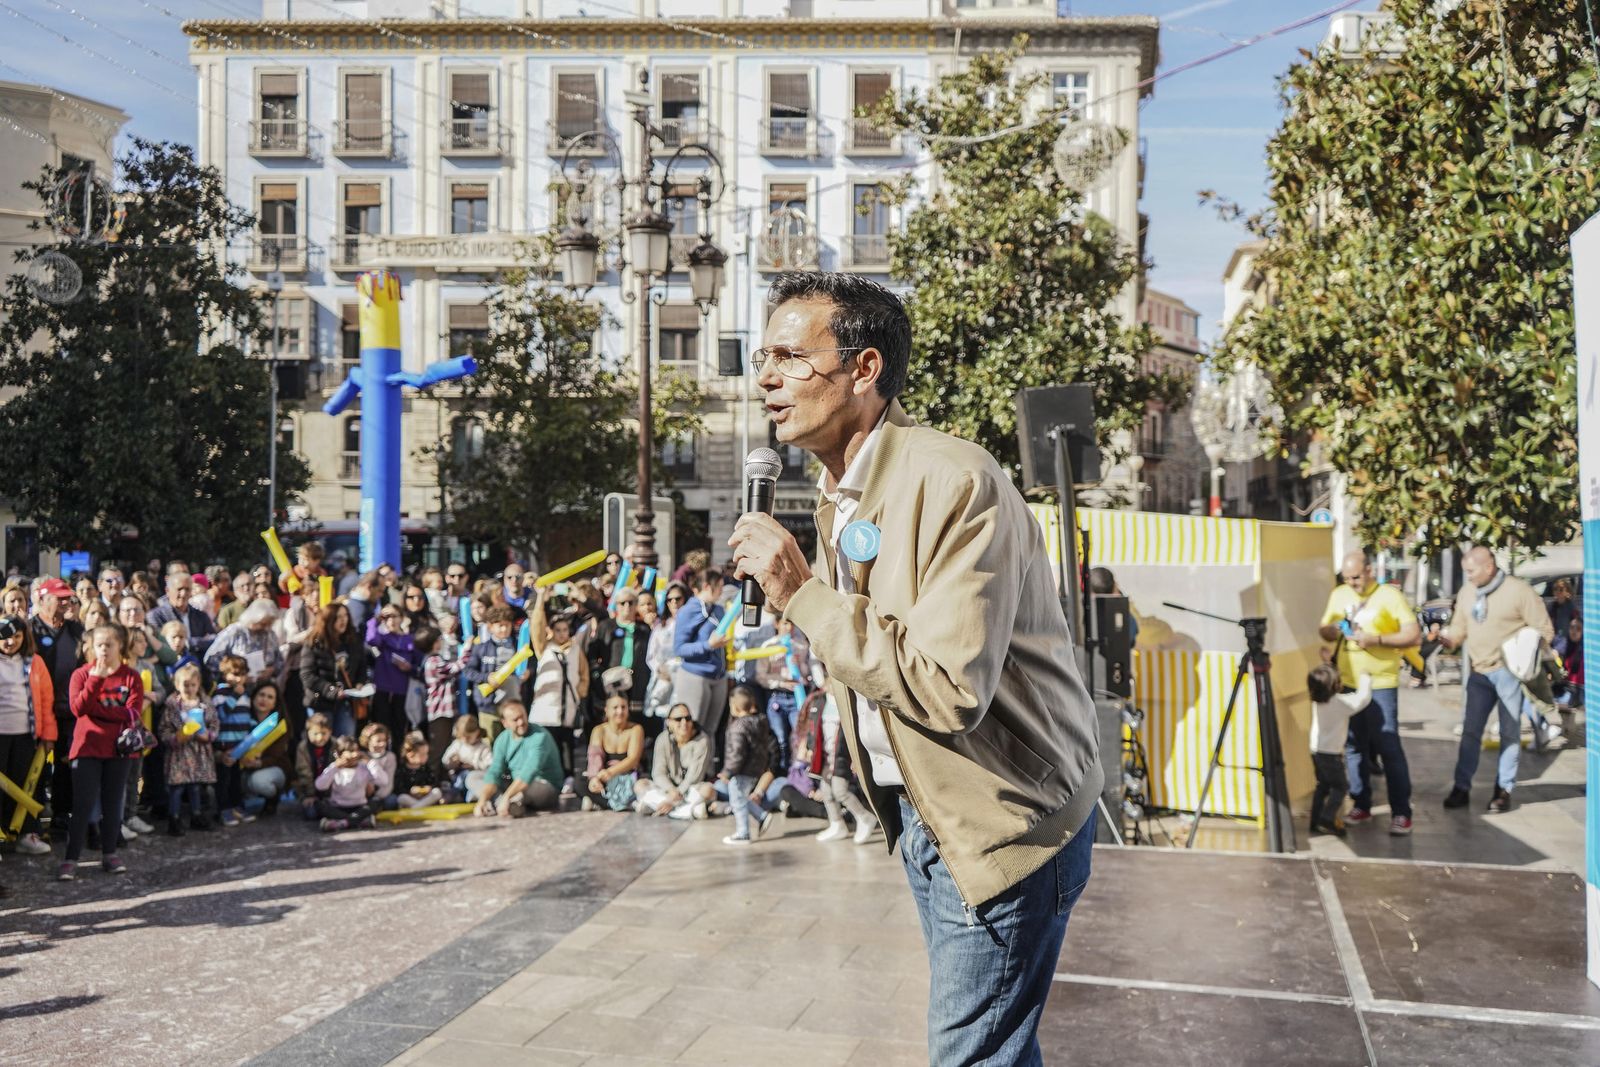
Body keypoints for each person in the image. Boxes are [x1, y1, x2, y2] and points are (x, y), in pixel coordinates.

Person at [728, 273, 1101, 1065]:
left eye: (791, 357)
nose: (767, 378)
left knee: (970, 1055)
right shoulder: (840, 494)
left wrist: (803, 594)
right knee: (997, 1049)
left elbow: (949, 687)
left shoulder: (955, 480)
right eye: (764, 357)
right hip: (927, 815)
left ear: (863, 369)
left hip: (1003, 821)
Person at [1436, 546, 1556, 813]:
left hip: (1508, 673)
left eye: (1471, 571)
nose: (1467, 576)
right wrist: (1448, 639)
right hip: (1478, 673)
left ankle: (1503, 789)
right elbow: (1459, 628)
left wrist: (1525, 653)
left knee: (1509, 732)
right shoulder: (1467, 592)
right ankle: (1461, 788)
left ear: (1488, 567)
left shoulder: (1519, 591)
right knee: (1470, 732)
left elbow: (1545, 629)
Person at [1316, 550, 1420, 835]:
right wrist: (1334, 630)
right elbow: (1324, 630)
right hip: (1347, 682)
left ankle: (1402, 812)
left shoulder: (1389, 596)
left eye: (1356, 577)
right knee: (1353, 746)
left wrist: (1376, 639)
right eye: (1347, 578)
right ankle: (1361, 803)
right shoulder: (1339, 595)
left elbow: (1413, 634)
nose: (1352, 583)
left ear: (1370, 571)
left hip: (1380, 683)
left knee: (1387, 745)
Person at [62, 624, 143, 879]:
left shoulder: (131, 677)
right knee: (82, 805)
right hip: (87, 748)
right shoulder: (82, 675)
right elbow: (78, 708)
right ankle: (71, 858)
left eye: (109, 644)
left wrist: (96, 711)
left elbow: (132, 713)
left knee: (113, 803)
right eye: (99, 645)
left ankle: (110, 854)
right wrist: (96, 680)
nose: (104, 650)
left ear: (120, 646)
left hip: (119, 750)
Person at [0, 614, 56, 857]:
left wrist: (48, 735)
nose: (10, 641)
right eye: (4, 636)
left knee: (26, 784)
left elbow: (46, 700)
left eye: (17, 636)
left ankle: (27, 833)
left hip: (26, 735)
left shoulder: (35, 662)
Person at [31, 576, 83, 833]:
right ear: (42, 600)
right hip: (34, 710)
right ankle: (32, 815)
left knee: (65, 763)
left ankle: (61, 814)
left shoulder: (75, 630)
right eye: (59, 598)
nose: (65, 603)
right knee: (34, 764)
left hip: (66, 709)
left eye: (67, 598)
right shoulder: (28, 629)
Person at [527, 591, 589, 779]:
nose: (562, 634)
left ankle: (568, 778)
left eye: (565, 630)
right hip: (546, 710)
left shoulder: (575, 649)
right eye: (558, 630)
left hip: (568, 708)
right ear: (551, 631)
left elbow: (584, 674)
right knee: (546, 746)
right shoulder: (544, 648)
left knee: (566, 747)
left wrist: (580, 692)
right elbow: (536, 626)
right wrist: (540, 599)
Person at [671, 568, 730, 750]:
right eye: (719, 587)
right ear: (706, 586)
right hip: (695, 676)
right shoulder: (688, 610)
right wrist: (708, 645)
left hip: (718, 677)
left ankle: (707, 766)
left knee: (710, 732)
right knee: (690, 729)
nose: (722, 591)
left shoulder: (719, 609)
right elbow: (679, 649)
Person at [159, 662, 219, 836]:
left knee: (195, 786)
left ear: (198, 684)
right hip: (179, 753)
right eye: (185, 685)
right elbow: (163, 729)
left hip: (199, 752)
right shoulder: (172, 706)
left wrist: (209, 736)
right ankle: (174, 817)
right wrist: (175, 738)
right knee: (177, 787)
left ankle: (196, 814)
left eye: (193, 685)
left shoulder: (205, 704)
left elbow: (214, 724)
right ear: (177, 685)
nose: (189, 689)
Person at [473, 700, 562, 818]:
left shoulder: (540, 736)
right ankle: (504, 804)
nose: (521, 722)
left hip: (542, 784)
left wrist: (507, 796)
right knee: (474, 777)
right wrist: (482, 800)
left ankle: (503, 802)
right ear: (505, 723)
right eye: (515, 720)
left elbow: (529, 773)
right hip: (515, 784)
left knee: (528, 787)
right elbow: (495, 772)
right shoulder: (502, 740)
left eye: (523, 717)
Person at [301, 601, 369, 739]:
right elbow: (307, 675)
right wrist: (331, 690)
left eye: (345, 616)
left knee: (345, 740)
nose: (343, 620)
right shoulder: (314, 642)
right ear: (328, 620)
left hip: (346, 702)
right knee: (321, 740)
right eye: (338, 617)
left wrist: (360, 683)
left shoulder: (353, 640)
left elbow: (362, 665)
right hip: (321, 703)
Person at [634, 703, 714, 819]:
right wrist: (671, 790)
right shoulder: (662, 739)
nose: (684, 723)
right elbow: (658, 773)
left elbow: (694, 777)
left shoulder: (702, 740)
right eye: (678, 719)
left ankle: (659, 806)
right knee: (640, 785)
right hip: (668, 789)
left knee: (708, 790)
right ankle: (686, 810)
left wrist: (675, 796)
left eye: (688, 718)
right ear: (668, 722)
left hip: (690, 789)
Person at [719, 686, 772, 846]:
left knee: (736, 801)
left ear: (735, 707)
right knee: (740, 797)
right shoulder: (759, 722)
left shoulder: (737, 727)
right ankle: (761, 815)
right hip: (755, 769)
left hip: (741, 770)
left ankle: (743, 833)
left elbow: (736, 754)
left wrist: (728, 772)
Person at [587, 587, 652, 717]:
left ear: (636, 605)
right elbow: (592, 654)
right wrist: (598, 677)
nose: (627, 606)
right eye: (623, 603)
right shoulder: (606, 626)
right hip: (611, 684)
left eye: (631, 602)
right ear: (616, 605)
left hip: (637, 688)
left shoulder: (644, 629)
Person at [576, 693, 645, 812]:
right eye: (615, 707)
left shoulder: (636, 729)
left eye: (623, 707)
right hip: (605, 777)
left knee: (642, 784)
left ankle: (603, 802)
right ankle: (618, 803)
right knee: (579, 783)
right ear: (606, 710)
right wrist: (595, 779)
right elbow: (594, 759)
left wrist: (610, 772)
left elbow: (633, 759)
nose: (620, 711)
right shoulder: (599, 730)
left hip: (627, 775)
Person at [211, 655, 258, 827]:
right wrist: (234, 696)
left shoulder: (244, 694)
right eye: (235, 674)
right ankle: (223, 810)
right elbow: (220, 715)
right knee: (223, 780)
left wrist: (254, 728)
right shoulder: (220, 694)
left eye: (242, 674)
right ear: (225, 674)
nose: (239, 679)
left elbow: (245, 716)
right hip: (225, 744)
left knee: (236, 780)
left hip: (240, 745)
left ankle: (238, 807)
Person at [465, 604, 522, 743]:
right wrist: (487, 677)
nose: (504, 629)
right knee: (490, 741)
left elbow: (528, 666)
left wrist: (527, 673)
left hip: (512, 704)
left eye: (507, 625)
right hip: (489, 705)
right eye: (500, 625)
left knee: (513, 741)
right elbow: (468, 671)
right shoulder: (481, 648)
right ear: (490, 627)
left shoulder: (517, 646)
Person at [365, 603, 416, 744]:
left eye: (394, 616)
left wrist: (409, 667)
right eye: (386, 617)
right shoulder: (383, 638)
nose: (391, 620)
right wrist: (376, 619)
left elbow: (418, 664)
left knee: (399, 727)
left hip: (402, 689)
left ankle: (397, 755)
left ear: (402, 618)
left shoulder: (410, 639)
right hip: (383, 687)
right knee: (382, 726)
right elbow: (371, 639)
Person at [204, 600, 283, 688]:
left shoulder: (269, 634)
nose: (265, 628)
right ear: (254, 618)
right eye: (262, 624)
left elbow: (279, 661)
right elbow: (211, 659)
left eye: (269, 624)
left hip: (261, 688)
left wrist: (272, 670)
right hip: (234, 688)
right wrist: (234, 673)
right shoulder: (234, 631)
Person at [240, 679, 291, 814]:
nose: (264, 699)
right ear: (254, 697)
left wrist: (258, 763)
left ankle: (273, 798)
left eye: (270, 697)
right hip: (245, 766)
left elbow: (276, 756)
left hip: (274, 768)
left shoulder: (280, 725)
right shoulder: (243, 718)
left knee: (257, 782)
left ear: (275, 703)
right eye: (261, 695)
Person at [314, 735, 385, 831]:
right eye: (351, 751)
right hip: (338, 807)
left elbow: (383, 781)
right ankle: (357, 821)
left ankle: (342, 823)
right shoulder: (334, 768)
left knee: (377, 801)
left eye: (356, 750)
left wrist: (370, 762)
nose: (355, 754)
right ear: (339, 753)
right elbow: (320, 786)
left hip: (359, 806)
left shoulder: (364, 767)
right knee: (318, 805)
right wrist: (335, 767)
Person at [148, 573, 217, 661]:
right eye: (179, 589)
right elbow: (160, 644)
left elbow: (214, 640)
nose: (183, 594)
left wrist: (189, 642)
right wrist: (193, 642)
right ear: (167, 591)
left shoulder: (200, 616)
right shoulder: (156, 616)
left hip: (198, 664)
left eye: (187, 589)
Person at [294, 712, 336, 821]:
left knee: (330, 811)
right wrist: (310, 795)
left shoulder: (335, 745)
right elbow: (304, 773)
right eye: (315, 733)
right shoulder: (303, 747)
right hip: (309, 790)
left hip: (331, 792)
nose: (320, 737)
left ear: (330, 732)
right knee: (311, 815)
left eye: (324, 733)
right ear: (308, 733)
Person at [442, 714, 493, 800]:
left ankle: (468, 796)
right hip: (457, 777)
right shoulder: (458, 744)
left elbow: (490, 765)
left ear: (477, 732)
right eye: (462, 737)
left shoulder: (483, 747)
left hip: (474, 776)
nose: (465, 740)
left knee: (468, 777)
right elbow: (445, 761)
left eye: (468, 737)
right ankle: (454, 794)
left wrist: (474, 765)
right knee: (461, 776)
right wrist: (452, 762)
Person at [393, 731, 446, 808]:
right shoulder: (402, 769)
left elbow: (434, 782)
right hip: (411, 798)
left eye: (427, 753)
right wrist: (410, 791)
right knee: (401, 798)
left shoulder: (426, 768)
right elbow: (398, 788)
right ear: (410, 755)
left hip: (425, 798)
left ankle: (417, 807)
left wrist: (429, 788)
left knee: (437, 792)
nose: (426, 756)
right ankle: (420, 806)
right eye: (422, 754)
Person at [359, 721, 397, 807]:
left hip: (381, 795)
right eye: (378, 741)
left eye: (384, 740)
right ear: (368, 741)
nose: (382, 744)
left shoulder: (390, 757)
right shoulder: (361, 756)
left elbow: (388, 784)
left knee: (391, 801)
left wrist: (376, 797)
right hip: (363, 795)